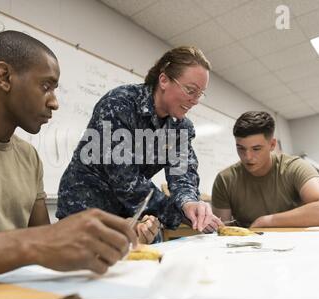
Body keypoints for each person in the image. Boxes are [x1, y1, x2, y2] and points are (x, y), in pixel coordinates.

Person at [0, 30, 139, 288]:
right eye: (46, 86)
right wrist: (31, 244)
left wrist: (102, 239)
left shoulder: (29, 158)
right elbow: (37, 242)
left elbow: (46, 244)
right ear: (4, 77)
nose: (54, 103)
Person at [57, 46, 224, 235]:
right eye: (190, 90)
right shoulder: (119, 104)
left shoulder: (180, 128)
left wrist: (189, 202)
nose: (195, 101)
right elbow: (124, 179)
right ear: (164, 80)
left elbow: (182, 175)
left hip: (128, 215)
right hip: (84, 209)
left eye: (200, 94)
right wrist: (179, 214)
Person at [211, 111, 319, 228]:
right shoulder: (225, 179)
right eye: (241, 148)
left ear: (272, 144)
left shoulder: (294, 167)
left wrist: (267, 221)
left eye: (256, 149)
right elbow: (223, 230)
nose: (248, 157)